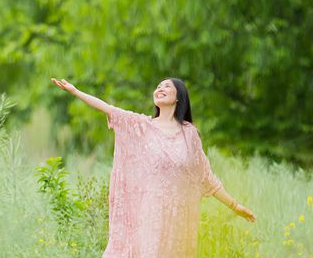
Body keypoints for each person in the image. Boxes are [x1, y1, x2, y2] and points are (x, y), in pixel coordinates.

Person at [51, 76, 256, 258]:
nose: (160, 89)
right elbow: (108, 108)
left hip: (179, 220)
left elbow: (206, 177)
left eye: (166, 86)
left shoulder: (190, 134)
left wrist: (234, 206)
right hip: (149, 217)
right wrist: (75, 91)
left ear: (179, 97)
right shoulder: (142, 127)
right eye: (158, 87)